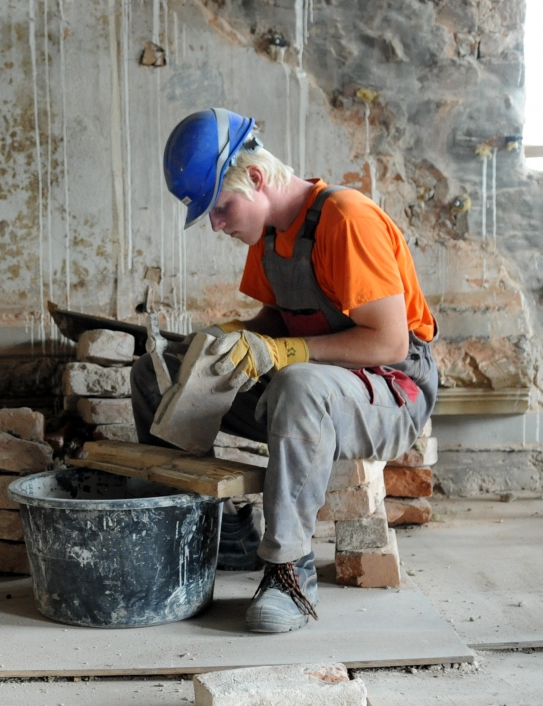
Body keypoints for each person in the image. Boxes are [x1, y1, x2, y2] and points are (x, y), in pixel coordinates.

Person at [131, 108, 438, 633]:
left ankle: (288, 573)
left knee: (298, 385)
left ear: (255, 177)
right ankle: (210, 532)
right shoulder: (270, 235)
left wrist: (286, 354)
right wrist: (230, 333)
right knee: (157, 369)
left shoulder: (346, 219)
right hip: (320, 386)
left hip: (391, 392)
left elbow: (387, 341)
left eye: (221, 207)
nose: (217, 223)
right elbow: (278, 320)